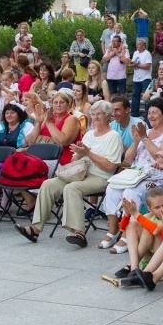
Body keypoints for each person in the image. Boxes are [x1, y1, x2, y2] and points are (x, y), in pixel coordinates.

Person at [14, 100, 123, 246]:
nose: (95, 117)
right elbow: (75, 160)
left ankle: (79, 233)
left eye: (99, 114)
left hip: (101, 177)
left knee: (72, 188)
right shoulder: (89, 134)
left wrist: (88, 153)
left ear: (108, 116)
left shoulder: (113, 136)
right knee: (48, 184)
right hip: (80, 173)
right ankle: (35, 229)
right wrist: (78, 154)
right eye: (93, 114)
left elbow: (110, 167)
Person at [100, 97, 163, 252]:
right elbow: (128, 160)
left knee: (130, 192)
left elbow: (160, 158)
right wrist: (136, 141)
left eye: (155, 112)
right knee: (112, 188)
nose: (150, 116)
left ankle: (127, 234)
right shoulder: (145, 132)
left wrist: (144, 139)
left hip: (155, 177)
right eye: (149, 113)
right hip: (135, 175)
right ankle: (113, 230)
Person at [112, 185, 163, 279]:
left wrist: (135, 213)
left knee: (149, 229)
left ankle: (133, 266)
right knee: (132, 225)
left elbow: (156, 230)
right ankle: (133, 267)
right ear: (150, 208)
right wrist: (127, 214)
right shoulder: (150, 215)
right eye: (157, 207)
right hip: (151, 257)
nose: (162, 209)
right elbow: (123, 229)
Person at [130, 40, 153, 117]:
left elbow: (148, 66)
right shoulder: (135, 53)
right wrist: (131, 64)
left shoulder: (147, 53)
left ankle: (147, 113)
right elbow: (133, 62)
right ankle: (134, 113)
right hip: (136, 78)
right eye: (137, 44)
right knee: (135, 95)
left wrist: (137, 65)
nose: (138, 46)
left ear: (144, 46)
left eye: (139, 44)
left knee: (146, 96)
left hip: (145, 78)